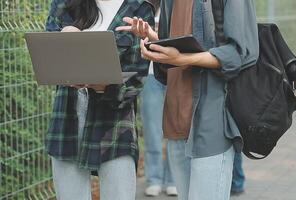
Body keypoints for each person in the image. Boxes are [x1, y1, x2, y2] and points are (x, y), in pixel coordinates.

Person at [117, 0, 259, 199]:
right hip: (177, 122)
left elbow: (239, 54)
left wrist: (184, 59)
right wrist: (152, 38)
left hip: (212, 124)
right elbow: (173, 52)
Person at [45, 0, 155, 199]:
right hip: (67, 120)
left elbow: (137, 78)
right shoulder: (64, 4)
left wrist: (106, 86)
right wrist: (66, 35)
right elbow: (46, 57)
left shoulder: (139, 9)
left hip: (114, 125)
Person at [141, 64, 177, 197]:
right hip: (150, 73)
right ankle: (153, 179)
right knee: (152, 130)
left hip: (177, 70)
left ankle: (173, 180)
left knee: (175, 129)